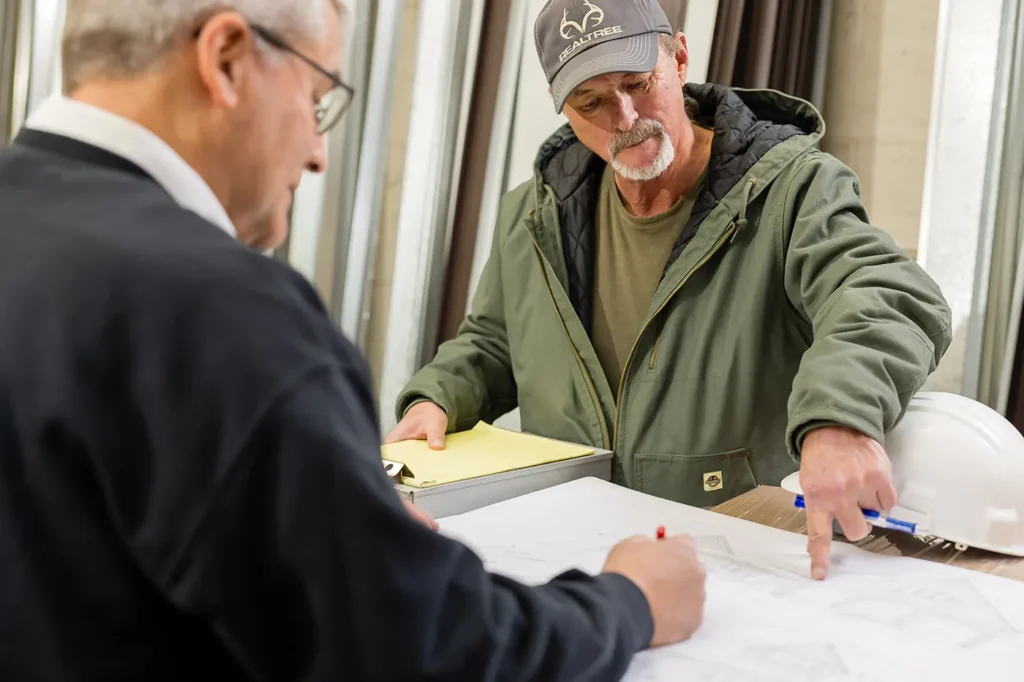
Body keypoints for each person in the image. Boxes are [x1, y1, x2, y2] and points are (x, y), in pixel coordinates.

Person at [0, 1, 709, 680]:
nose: (317, 155)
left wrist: (332, 520)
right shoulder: (224, 314)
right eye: (315, 101)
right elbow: (416, 647)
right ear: (226, 59)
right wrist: (627, 603)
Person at [387, 0, 953, 580]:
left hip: (740, 550)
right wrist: (436, 397)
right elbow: (494, 341)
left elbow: (883, 292)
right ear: (563, 108)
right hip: (575, 553)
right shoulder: (533, 216)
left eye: (638, 82)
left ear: (679, 58)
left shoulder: (791, 190)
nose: (626, 115)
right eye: (592, 102)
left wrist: (839, 418)